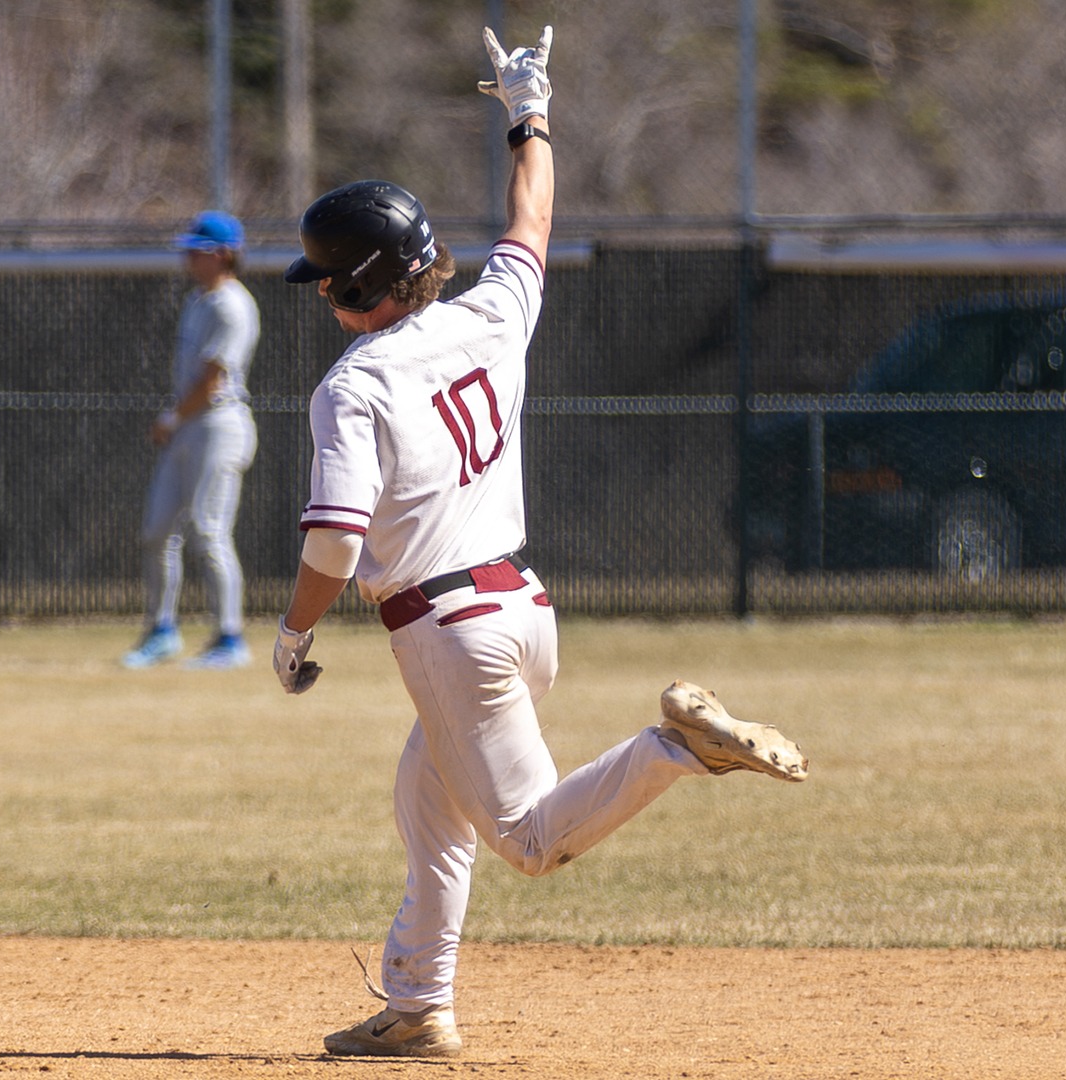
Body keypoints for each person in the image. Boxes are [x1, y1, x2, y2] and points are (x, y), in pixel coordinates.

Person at [271, 26, 809, 1059]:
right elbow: (533, 213)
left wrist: (293, 639)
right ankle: (420, 1003)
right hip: (522, 612)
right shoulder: (493, 314)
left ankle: (673, 750)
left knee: (525, 842)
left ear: (351, 290)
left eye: (330, 280)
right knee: (428, 802)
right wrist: (531, 113)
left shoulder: (354, 387)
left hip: (447, 630)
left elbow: (335, 544)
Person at [120, 210, 261, 671]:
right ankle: (162, 630)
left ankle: (230, 637)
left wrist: (170, 417)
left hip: (217, 425)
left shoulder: (231, 304)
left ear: (223, 254)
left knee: (209, 530)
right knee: (157, 531)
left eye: (197, 250)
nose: (188, 257)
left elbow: (213, 380)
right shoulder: (199, 300)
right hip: (188, 426)